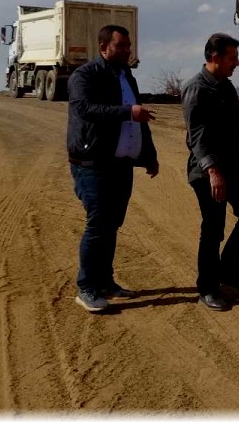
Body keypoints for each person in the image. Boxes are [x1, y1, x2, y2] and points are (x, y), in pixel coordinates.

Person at [66, 25, 159, 313]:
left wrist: (149, 155)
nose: (127, 51)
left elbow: (138, 116)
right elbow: (85, 109)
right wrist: (126, 112)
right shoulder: (85, 75)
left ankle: (105, 282)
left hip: (121, 164)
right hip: (92, 164)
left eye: (129, 46)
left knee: (111, 225)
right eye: (121, 46)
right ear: (104, 47)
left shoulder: (126, 75)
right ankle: (87, 287)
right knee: (98, 224)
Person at [182, 33, 239, 311]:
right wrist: (213, 171)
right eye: (232, 58)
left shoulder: (226, 87)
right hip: (209, 172)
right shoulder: (197, 89)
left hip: (235, 167)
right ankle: (207, 287)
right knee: (213, 229)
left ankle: (228, 269)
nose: (237, 63)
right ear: (215, 58)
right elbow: (197, 137)